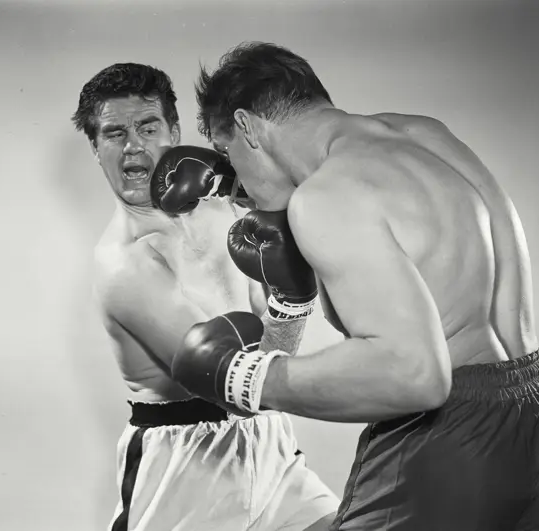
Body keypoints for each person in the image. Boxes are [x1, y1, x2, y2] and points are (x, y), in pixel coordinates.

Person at [168, 43, 539, 530]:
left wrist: (244, 376)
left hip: (453, 450)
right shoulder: (423, 134)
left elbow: (415, 375)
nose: (235, 176)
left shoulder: (326, 195)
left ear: (247, 125)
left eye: (227, 151)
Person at [71, 62, 339, 531]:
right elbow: (232, 384)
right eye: (114, 134)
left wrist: (287, 294)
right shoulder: (126, 264)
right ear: (95, 149)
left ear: (173, 132)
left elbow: (273, 348)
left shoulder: (225, 209)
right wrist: (291, 301)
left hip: (268, 446)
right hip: (186, 469)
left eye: (147, 126)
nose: (133, 145)